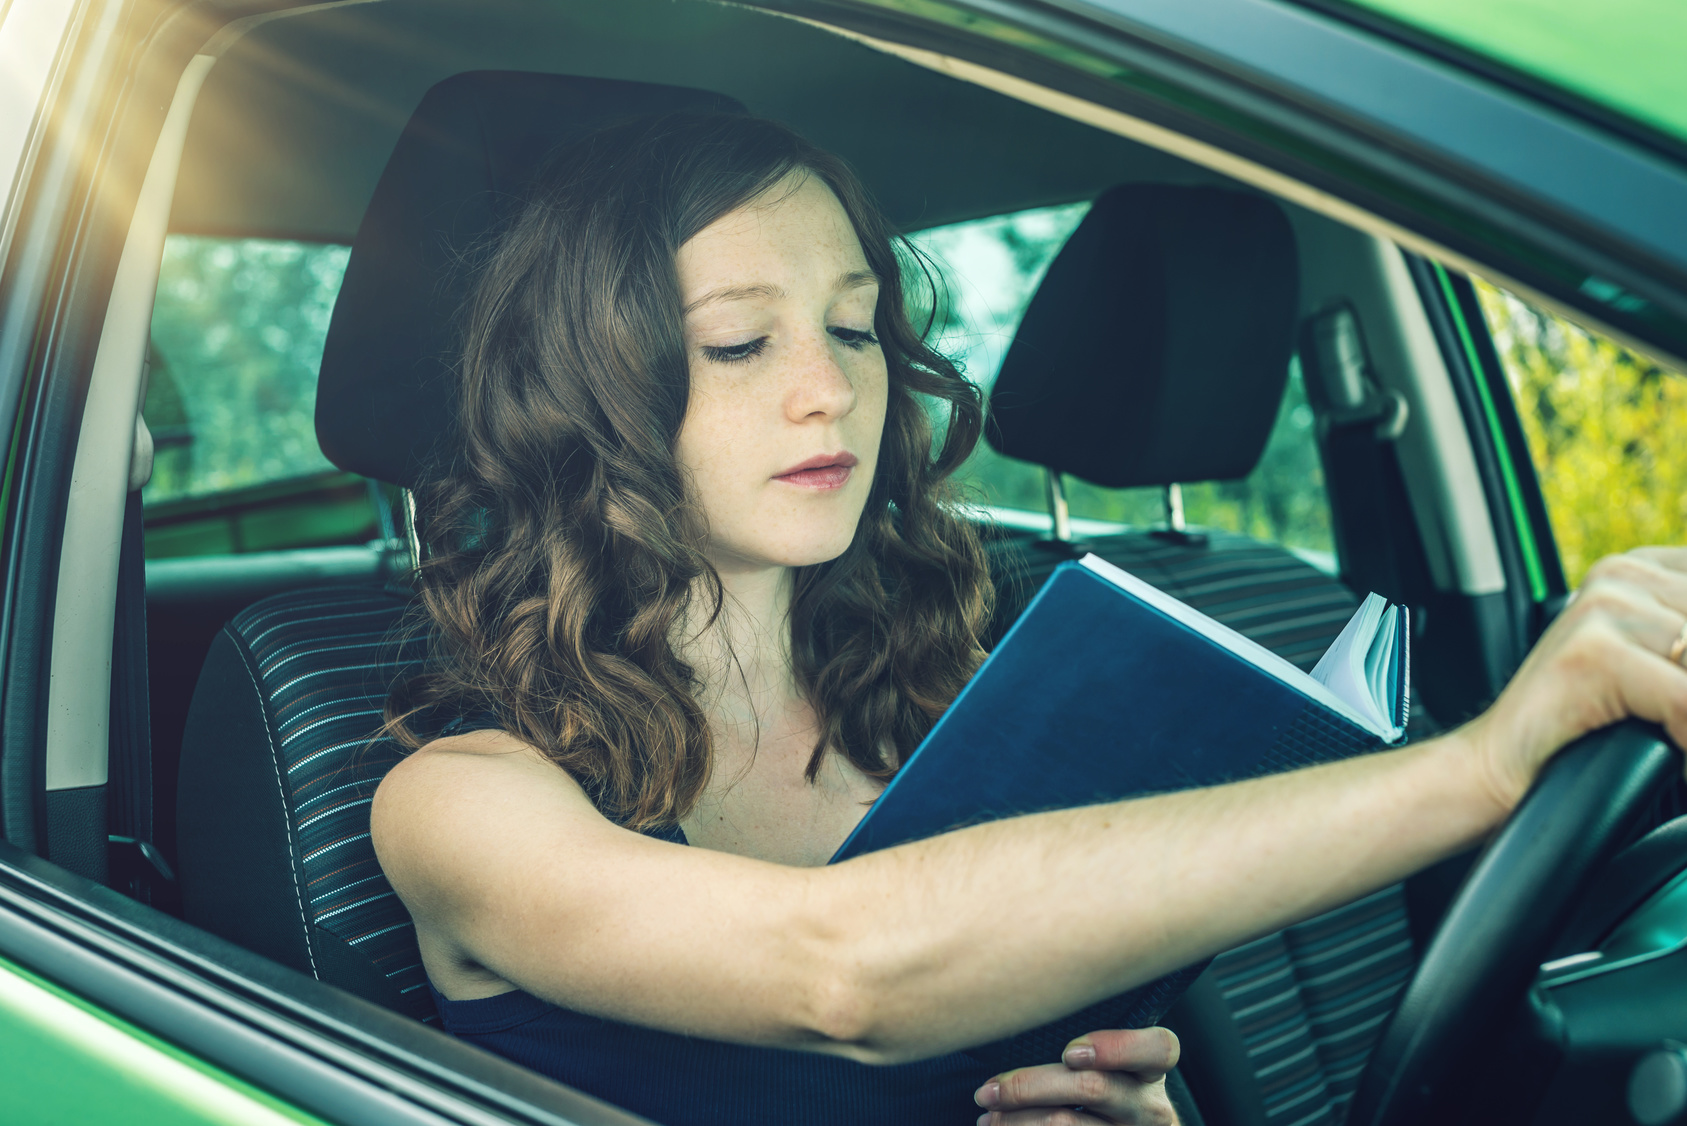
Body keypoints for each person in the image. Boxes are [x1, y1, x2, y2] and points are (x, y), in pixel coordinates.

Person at [370, 112, 1687, 1126]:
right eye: (739, 344)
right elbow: (843, 973)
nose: (829, 389)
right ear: (594, 398)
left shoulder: (965, 705)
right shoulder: (461, 804)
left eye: (857, 326)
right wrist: (1481, 766)